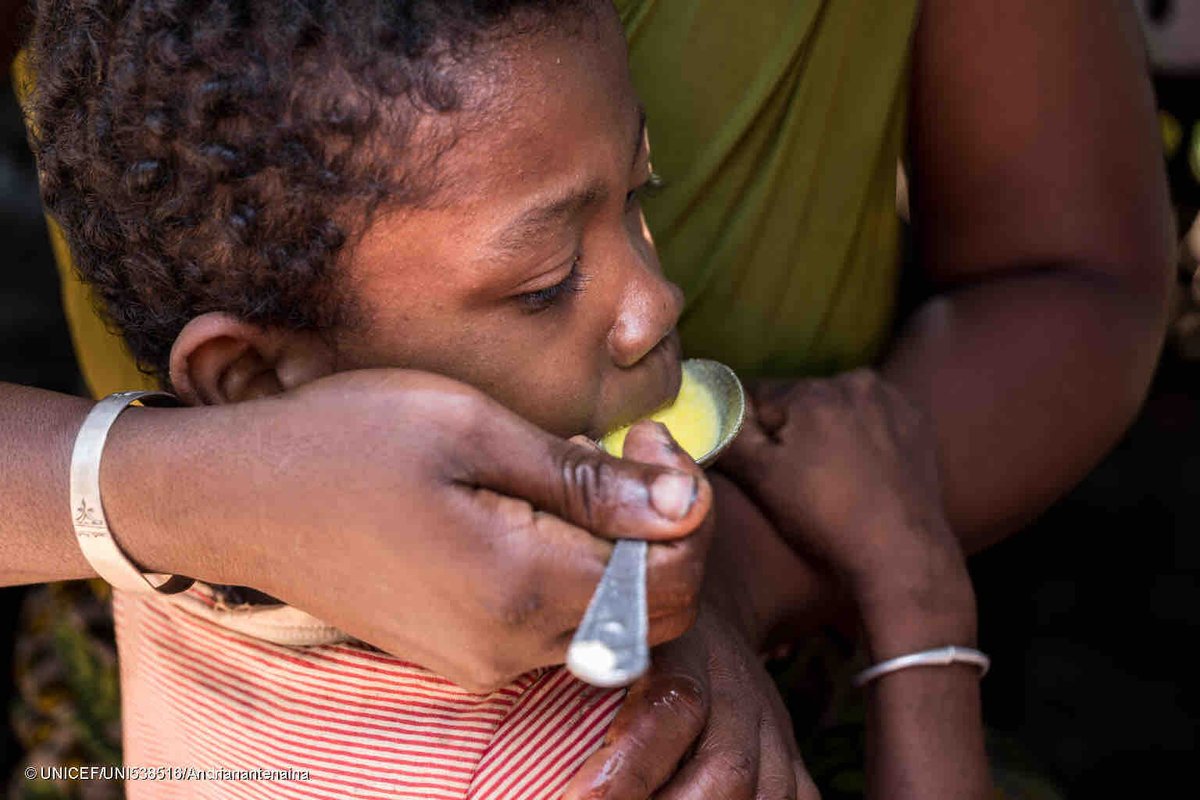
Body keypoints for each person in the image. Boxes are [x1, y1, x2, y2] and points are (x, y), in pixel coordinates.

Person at [0, 0, 1172, 797]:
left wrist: (740, 566)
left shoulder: (164, 576)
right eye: (548, 278)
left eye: (644, 196)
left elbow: (1073, 264)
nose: (657, 303)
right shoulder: (608, 754)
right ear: (251, 377)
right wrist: (915, 606)